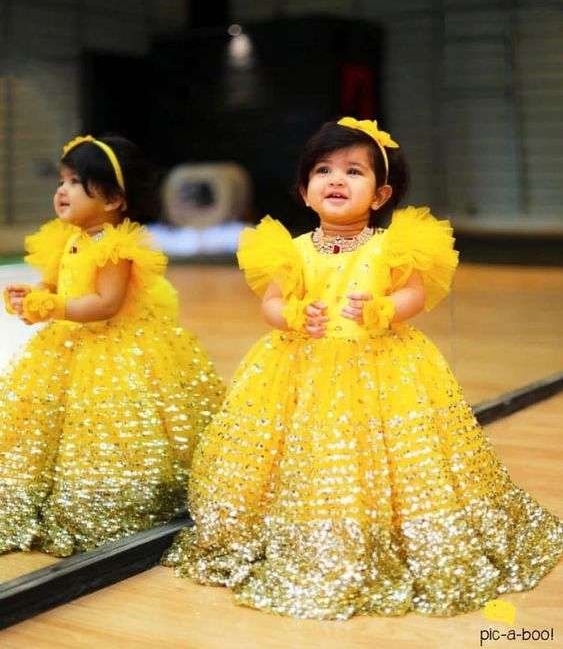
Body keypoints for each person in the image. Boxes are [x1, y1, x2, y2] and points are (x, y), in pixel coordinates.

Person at [162, 117, 563, 620]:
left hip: (382, 366)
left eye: (354, 171)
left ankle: (382, 524)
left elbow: (414, 292)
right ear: (304, 191)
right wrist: (292, 315)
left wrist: (385, 309)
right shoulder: (290, 249)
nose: (336, 179)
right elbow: (271, 303)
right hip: (303, 368)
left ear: (380, 194)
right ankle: (310, 525)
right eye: (323, 170)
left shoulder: (392, 245)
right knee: (310, 451)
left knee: (385, 453)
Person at [0, 134, 224, 556]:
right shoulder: (66, 238)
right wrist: (33, 298)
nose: (62, 191)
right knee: (47, 423)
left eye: (75, 182)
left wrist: (54, 306)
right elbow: (55, 285)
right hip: (66, 344)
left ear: (114, 199)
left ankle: (108, 495)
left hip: (113, 350)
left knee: (106, 428)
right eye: (62, 181)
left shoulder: (116, 246)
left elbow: (105, 304)